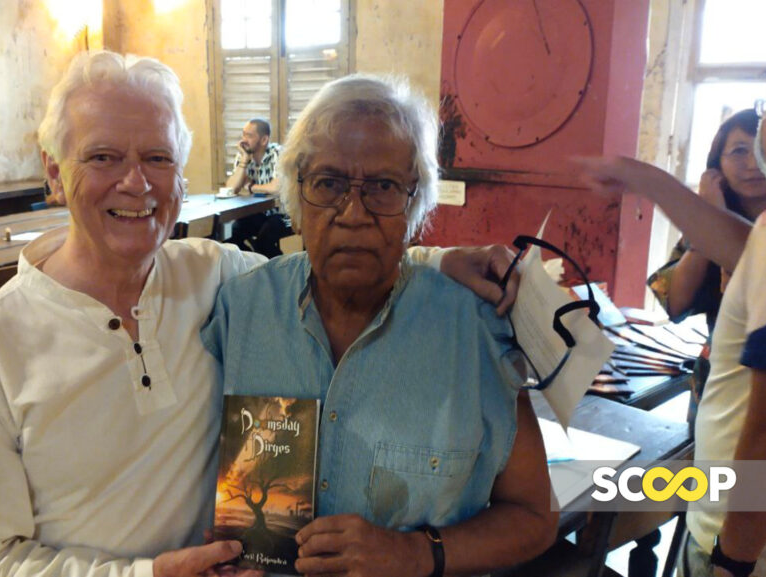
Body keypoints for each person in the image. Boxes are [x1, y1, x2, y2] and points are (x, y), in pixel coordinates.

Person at [0, 50, 522, 577]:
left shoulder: (218, 280)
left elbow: (341, 256)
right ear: (54, 171)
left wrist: (437, 262)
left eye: (157, 157)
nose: (135, 183)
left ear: (181, 174)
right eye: (102, 158)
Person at [202, 75, 558, 576]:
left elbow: (535, 516)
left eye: (384, 188)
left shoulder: (475, 333)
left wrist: (417, 553)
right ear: (297, 197)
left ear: (414, 207)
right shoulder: (240, 311)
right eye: (328, 184)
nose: (353, 213)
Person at [579, 61, 766, 577]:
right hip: (750, 519)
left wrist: (732, 560)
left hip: (752, 542)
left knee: (592, 486)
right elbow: (741, 249)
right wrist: (645, 178)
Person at [646, 109, 766, 412]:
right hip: (718, 381)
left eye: (762, 150)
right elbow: (676, 302)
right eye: (739, 151)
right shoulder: (702, 225)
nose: (752, 163)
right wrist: (712, 216)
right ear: (716, 167)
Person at [223, 119, 292, 258]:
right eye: (243, 135)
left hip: (284, 214)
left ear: (264, 139)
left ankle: (282, 272)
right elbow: (231, 188)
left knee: (263, 242)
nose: (244, 140)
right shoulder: (244, 154)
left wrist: (251, 187)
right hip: (260, 213)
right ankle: (253, 265)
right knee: (230, 239)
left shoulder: (278, 153)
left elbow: (277, 187)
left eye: (249, 136)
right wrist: (244, 160)